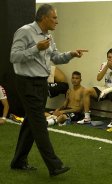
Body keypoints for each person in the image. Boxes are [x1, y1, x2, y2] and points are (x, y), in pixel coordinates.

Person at [10, 4, 88, 176]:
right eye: (54, 18)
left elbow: (55, 57)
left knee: (31, 123)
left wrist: (71, 54)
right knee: (38, 123)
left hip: (41, 83)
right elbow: (14, 56)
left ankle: (18, 161)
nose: (57, 22)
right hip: (27, 83)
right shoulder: (25, 32)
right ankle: (54, 165)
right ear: (44, 18)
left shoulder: (48, 36)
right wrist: (36, 48)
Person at [77, 48, 112, 124]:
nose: (111, 59)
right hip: (105, 87)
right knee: (86, 91)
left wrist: (108, 90)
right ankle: (87, 118)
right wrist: (106, 67)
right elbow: (98, 78)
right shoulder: (104, 64)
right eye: (109, 57)